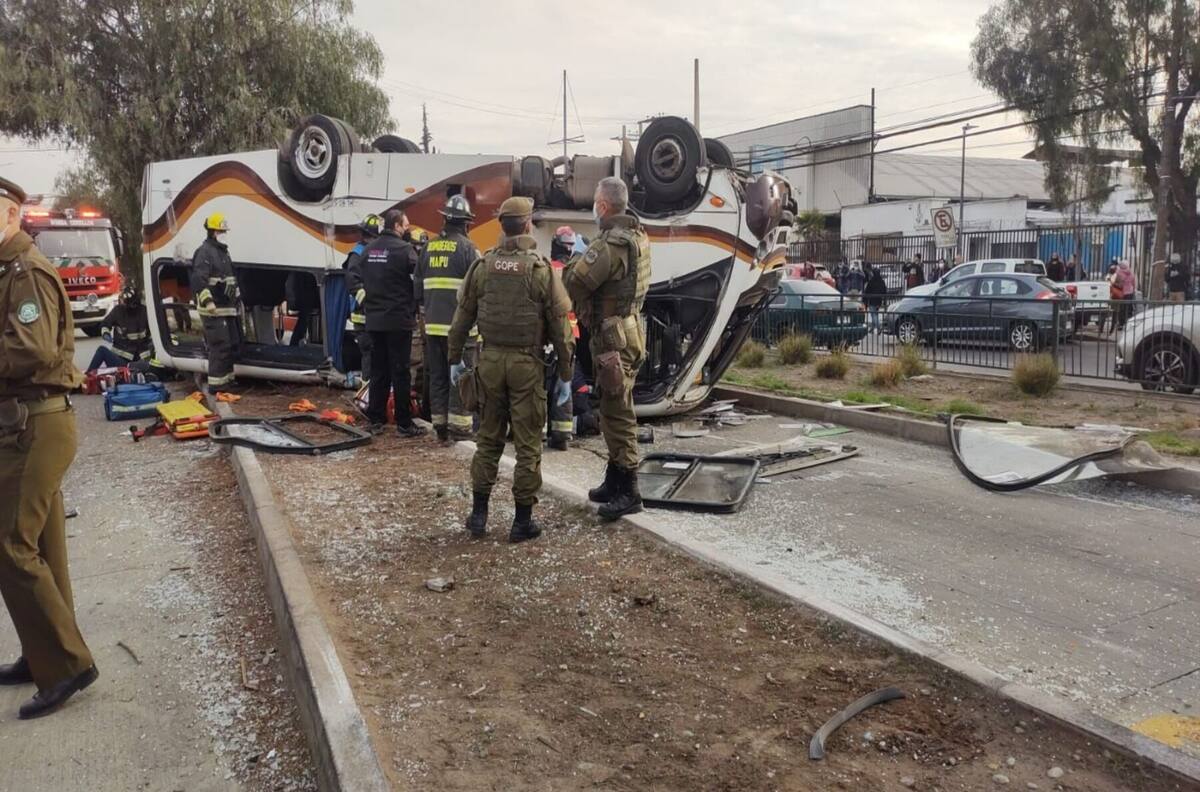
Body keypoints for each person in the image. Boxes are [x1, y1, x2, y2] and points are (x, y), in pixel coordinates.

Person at [0, 176, 99, 719]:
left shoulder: (26, 271)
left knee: (12, 545)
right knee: (42, 546)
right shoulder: (8, 270)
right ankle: (44, 656)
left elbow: (32, 350)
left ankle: (67, 664)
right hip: (26, 424)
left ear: (11, 214)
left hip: (34, 426)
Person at [448, 196, 574, 543]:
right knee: (528, 444)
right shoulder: (541, 270)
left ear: (502, 226)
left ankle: (478, 516)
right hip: (526, 365)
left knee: (487, 440)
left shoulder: (483, 266)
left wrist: (454, 357)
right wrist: (565, 372)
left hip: (488, 364)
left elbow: (461, 320)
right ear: (528, 223)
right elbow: (561, 329)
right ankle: (522, 522)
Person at [564, 177, 652, 521]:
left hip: (614, 338)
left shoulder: (611, 245)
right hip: (626, 332)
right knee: (613, 406)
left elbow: (574, 280)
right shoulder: (638, 236)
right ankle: (614, 479)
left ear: (603, 206)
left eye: (595, 203)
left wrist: (576, 259)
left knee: (618, 413)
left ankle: (629, 489)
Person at [416, 196, 479, 442]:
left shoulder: (428, 247)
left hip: (432, 327)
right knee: (461, 377)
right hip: (459, 330)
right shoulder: (468, 250)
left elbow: (417, 288)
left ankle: (440, 425)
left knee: (438, 376)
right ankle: (460, 428)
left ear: (445, 219)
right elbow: (478, 290)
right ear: (466, 224)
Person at [358, 210, 424, 437]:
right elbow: (418, 279)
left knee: (378, 371)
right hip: (398, 321)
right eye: (405, 225)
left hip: (375, 321)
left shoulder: (368, 250)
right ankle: (404, 423)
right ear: (397, 225)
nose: (407, 229)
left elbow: (357, 279)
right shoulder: (405, 251)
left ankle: (376, 420)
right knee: (401, 372)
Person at [190, 213, 240, 392]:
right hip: (213, 310)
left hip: (227, 308)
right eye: (221, 230)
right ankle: (217, 386)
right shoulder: (204, 252)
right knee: (220, 346)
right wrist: (208, 301)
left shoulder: (223, 252)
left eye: (224, 230)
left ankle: (228, 381)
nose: (223, 233)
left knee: (232, 344)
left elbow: (231, 279)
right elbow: (199, 280)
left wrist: (237, 299)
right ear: (212, 231)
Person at [546, 226, 581, 450]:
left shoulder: (546, 269)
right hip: (571, 334)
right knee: (564, 381)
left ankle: (540, 431)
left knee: (542, 384)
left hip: (548, 334)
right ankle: (562, 434)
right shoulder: (575, 272)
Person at [344, 213, 384, 378]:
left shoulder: (371, 252)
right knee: (369, 357)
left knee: (376, 358)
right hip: (363, 319)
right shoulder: (358, 255)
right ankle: (366, 396)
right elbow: (353, 284)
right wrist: (369, 302)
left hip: (373, 317)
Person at [85, 286, 151, 371]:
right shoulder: (118, 311)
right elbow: (105, 324)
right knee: (102, 351)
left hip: (138, 363)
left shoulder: (144, 312)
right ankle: (88, 376)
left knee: (101, 351)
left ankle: (87, 377)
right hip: (125, 362)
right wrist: (106, 333)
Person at [863, 265, 888, 335]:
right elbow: (885, 291)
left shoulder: (871, 281)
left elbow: (867, 291)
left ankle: (878, 328)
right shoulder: (882, 281)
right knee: (875, 314)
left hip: (872, 300)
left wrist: (864, 300)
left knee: (873, 314)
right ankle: (872, 328)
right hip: (879, 301)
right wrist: (884, 300)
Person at [1114, 259, 1137, 330]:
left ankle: (1121, 324)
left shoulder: (1119, 273)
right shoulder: (1131, 272)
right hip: (1130, 292)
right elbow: (1133, 282)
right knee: (1129, 308)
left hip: (1122, 293)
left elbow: (1117, 283)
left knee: (1122, 309)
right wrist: (1133, 290)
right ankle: (1129, 323)